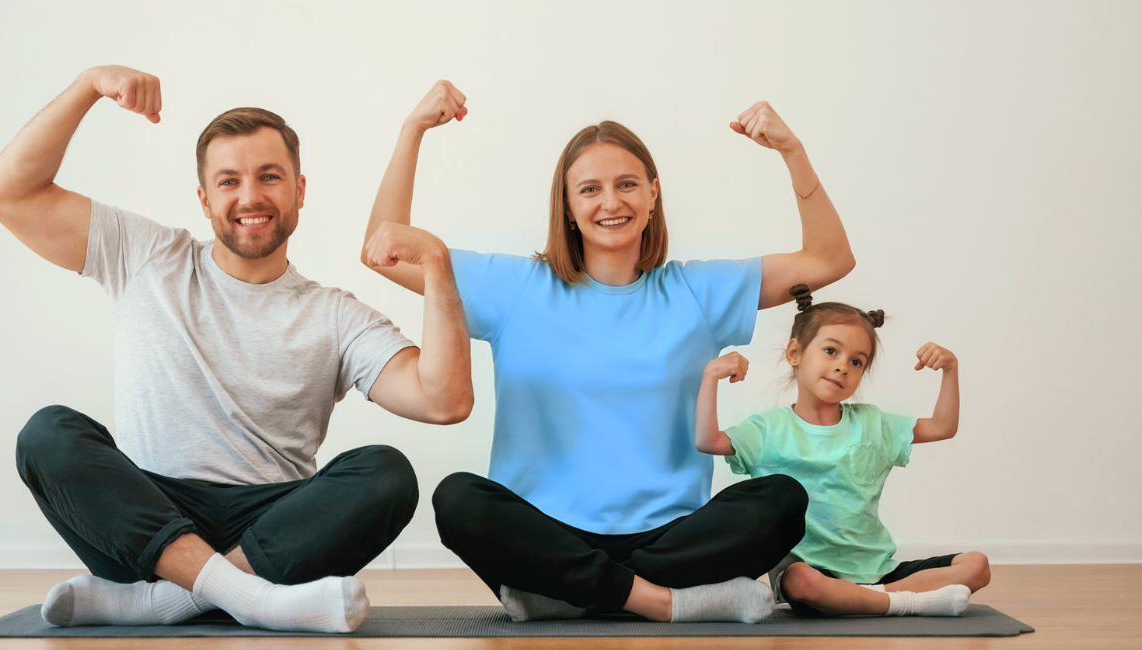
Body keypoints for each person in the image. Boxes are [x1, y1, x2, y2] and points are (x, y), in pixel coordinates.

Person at [0, 65, 474, 633]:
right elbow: (6, 192)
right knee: (48, 434)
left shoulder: (334, 314)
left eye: (269, 177)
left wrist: (437, 267)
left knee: (387, 473)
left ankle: (166, 602)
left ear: (300, 190)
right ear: (205, 199)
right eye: (229, 181)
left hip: (272, 531)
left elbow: (445, 400)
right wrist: (88, 85)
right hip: (149, 524)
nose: (250, 196)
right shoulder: (146, 256)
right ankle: (248, 598)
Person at [362, 81, 855, 623]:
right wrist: (412, 132)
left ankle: (564, 594)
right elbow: (383, 251)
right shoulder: (517, 287)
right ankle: (660, 602)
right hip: (544, 527)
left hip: (670, 533)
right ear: (569, 208)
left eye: (626, 185)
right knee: (458, 500)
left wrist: (793, 151)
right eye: (590, 190)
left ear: (653, 193)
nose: (611, 202)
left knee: (782, 499)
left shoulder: (698, 291)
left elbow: (828, 259)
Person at [694, 284, 991, 617]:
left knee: (978, 565)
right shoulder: (767, 430)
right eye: (831, 351)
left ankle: (870, 599)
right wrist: (710, 377)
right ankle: (911, 602)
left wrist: (950, 370)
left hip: (877, 570)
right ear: (795, 353)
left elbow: (941, 427)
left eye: (857, 361)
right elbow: (708, 441)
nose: (843, 367)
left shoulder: (872, 424)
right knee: (799, 582)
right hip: (812, 572)